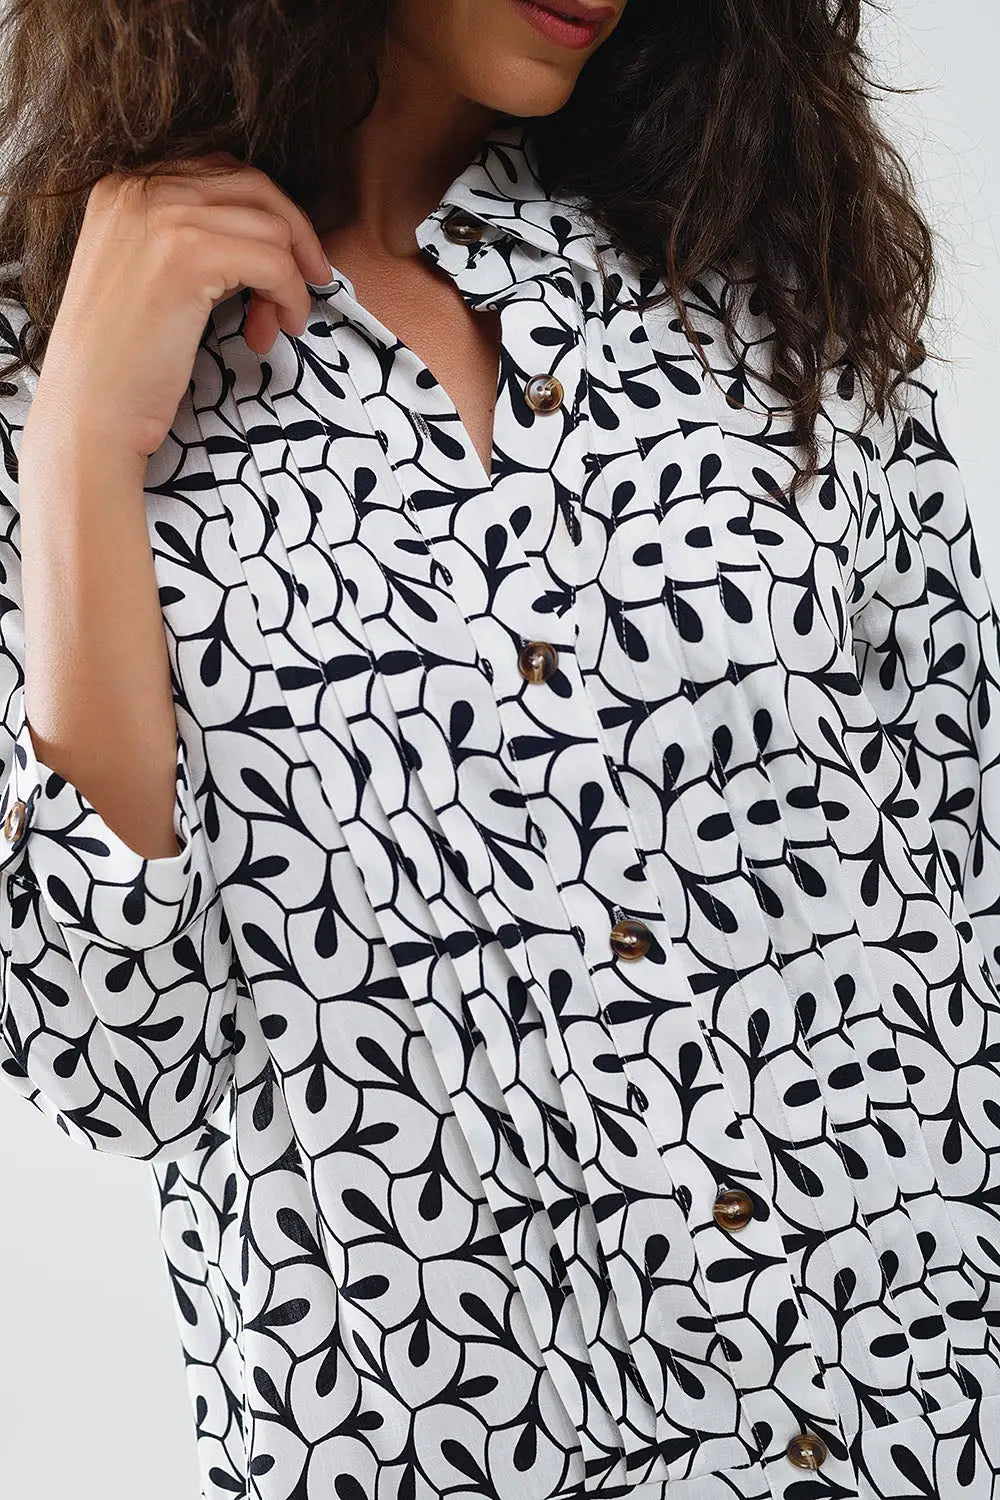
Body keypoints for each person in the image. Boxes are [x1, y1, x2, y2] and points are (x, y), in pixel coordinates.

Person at [0, 1, 997, 1498]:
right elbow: (118, 1060)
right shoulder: (53, 368)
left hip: (915, 1403)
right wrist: (81, 439)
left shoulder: (753, 276)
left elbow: (965, 843)